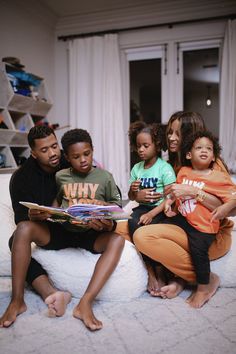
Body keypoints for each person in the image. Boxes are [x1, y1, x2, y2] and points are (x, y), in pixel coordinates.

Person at [0, 126, 124, 331]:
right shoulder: (22, 178)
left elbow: (113, 202)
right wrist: (35, 215)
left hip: (88, 231)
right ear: (33, 153)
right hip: (54, 232)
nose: (53, 153)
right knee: (19, 233)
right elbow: (21, 219)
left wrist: (108, 222)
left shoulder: (71, 157)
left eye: (55, 146)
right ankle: (19, 300)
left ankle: (85, 303)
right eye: (44, 150)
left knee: (117, 239)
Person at [125, 111, 234, 300]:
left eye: (177, 133)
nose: (171, 138)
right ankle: (172, 277)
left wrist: (193, 192)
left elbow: (230, 208)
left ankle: (203, 279)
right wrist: (139, 194)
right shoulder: (176, 164)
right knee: (122, 227)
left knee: (143, 235)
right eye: (169, 132)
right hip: (184, 224)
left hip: (210, 234)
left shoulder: (210, 165)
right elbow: (170, 197)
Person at [163, 130, 236, 307]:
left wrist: (224, 208)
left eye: (209, 149)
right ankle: (172, 278)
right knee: (159, 225)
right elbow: (175, 191)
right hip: (184, 219)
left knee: (198, 251)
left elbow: (234, 197)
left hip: (204, 226)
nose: (204, 150)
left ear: (213, 157)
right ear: (189, 154)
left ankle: (203, 288)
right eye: (199, 148)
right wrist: (168, 202)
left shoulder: (218, 177)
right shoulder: (184, 172)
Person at [127, 121, 176, 294]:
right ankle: (149, 269)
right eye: (138, 146)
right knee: (132, 222)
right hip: (142, 208)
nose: (141, 149)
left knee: (155, 230)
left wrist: (152, 213)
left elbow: (171, 196)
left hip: (161, 209)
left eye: (146, 145)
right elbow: (131, 197)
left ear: (157, 145)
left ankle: (160, 269)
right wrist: (133, 192)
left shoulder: (164, 168)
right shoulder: (136, 169)